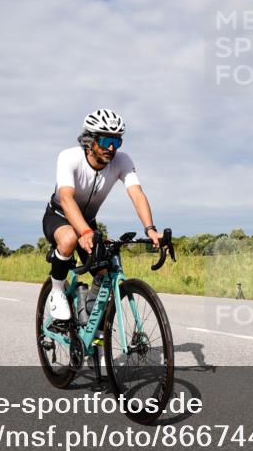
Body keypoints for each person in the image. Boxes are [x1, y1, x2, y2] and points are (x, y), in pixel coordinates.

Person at [42, 108, 163, 322]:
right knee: (70, 238)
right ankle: (57, 291)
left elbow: (137, 194)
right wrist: (85, 232)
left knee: (105, 275)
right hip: (59, 216)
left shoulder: (122, 161)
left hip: (88, 222)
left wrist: (151, 229)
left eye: (116, 142)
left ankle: (90, 322)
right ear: (90, 140)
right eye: (107, 140)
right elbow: (67, 198)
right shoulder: (69, 157)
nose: (111, 148)